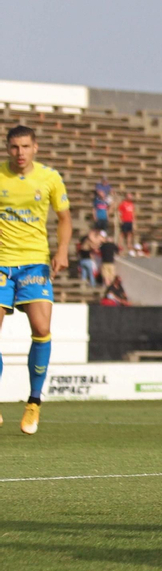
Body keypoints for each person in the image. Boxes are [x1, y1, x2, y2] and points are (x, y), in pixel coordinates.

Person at [0, 125, 72, 435]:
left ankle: (33, 402)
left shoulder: (50, 178)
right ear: (7, 148)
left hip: (35, 264)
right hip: (2, 263)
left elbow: (64, 218)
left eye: (25, 146)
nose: (20, 153)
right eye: (14, 147)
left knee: (42, 329)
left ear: (35, 147)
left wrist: (63, 251)